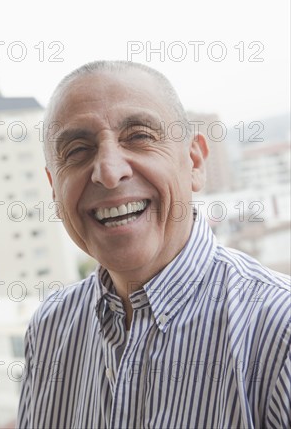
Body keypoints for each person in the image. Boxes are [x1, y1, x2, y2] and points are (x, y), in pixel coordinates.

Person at [17, 61, 290, 429]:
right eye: (78, 150)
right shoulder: (48, 330)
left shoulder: (279, 332)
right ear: (53, 188)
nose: (110, 172)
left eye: (139, 136)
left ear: (194, 161)